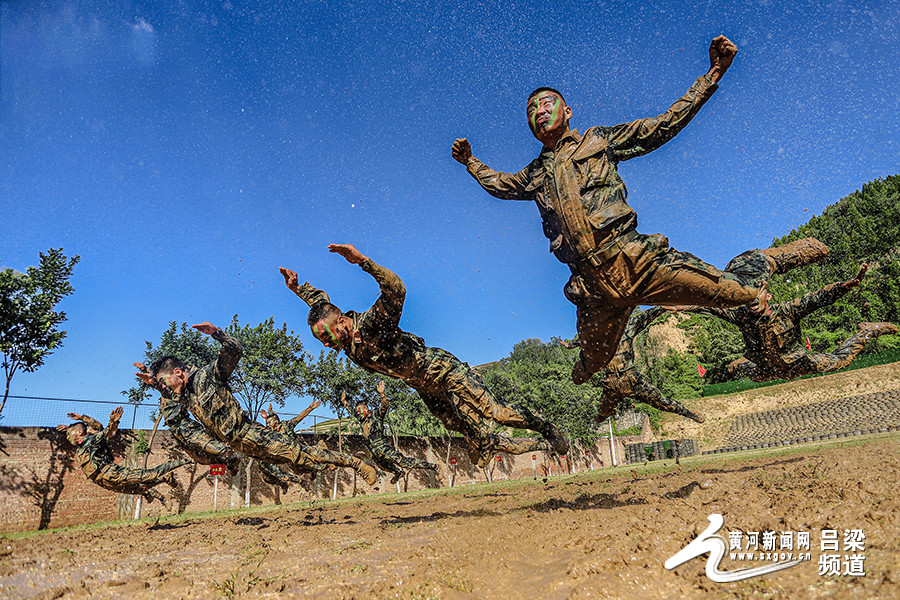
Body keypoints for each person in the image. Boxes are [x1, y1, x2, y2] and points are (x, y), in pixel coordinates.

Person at [452, 35, 828, 384]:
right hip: (592, 287)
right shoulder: (535, 174)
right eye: (531, 110)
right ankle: (588, 362)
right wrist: (471, 163)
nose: (538, 112)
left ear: (568, 111)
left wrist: (713, 74)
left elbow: (664, 125)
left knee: (732, 292)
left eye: (546, 104)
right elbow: (499, 185)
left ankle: (755, 291)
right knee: (592, 365)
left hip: (635, 260)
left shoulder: (600, 140)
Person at [279, 244, 567, 467]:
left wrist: (364, 262)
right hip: (423, 385)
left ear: (342, 321)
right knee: (457, 425)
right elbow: (320, 304)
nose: (327, 345)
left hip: (442, 370)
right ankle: (487, 443)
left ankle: (545, 428)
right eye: (322, 341)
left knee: (496, 412)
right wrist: (298, 288)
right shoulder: (337, 327)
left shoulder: (373, 324)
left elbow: (396, 289)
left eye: (328, 336)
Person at [140, 323, 379, 486]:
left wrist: (217, 333)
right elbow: (169, 396)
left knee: (306, 456)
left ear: (178, 372)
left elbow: (234, 350)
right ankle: (309, 470)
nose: (165, 387)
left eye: (164, 381)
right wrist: (152, 382)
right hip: (240, 447)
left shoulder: (207, 376)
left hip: (252, 435)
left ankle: (356, 463)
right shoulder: (185, 394)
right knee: (298, 463)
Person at [680, 264, 898, 381]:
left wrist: (845, 286)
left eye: (759, 293)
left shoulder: (787, 311)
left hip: (798, 363)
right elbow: (710, 308)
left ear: (768, 297)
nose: (753, 299)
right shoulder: (741, 316)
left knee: (842, 361)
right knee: (737, 369)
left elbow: (817, 298)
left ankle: (868, 331)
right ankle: (730, 368)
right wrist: (680, 304)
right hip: (766, 369)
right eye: (749, 295)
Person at [134, 363, 302, 493]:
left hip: (189, 428)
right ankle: (231, 461)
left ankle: (234, 459)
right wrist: (150, 376)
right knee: (202, 458)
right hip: (179, 433)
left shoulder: (182, 390)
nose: (165, 386)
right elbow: (159, 382)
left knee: (221, 449)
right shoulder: (167, 390)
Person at [562, 307, 704, 423]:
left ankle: (689, 413)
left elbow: (646, 317)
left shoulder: (626, 326)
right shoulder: (598, 333)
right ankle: (604, 415)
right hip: (612, 381)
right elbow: (584, 341)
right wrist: (570, 345)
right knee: (603, 411)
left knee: (661, 401)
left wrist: (662, 308)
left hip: (629, 378)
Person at [59, 407, 189, 504]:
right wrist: (69, 429)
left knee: (150, 475)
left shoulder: (92, 439)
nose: (67, 437)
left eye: (69, 433)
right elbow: (85, 431)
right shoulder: (82, 445)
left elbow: (102, 430)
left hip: (110, 472)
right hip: (100, 479)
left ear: (80, 432)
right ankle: (165, 481)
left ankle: (186, 461)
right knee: (136, 489)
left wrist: (110, 422)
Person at [341, 382, 440, 484]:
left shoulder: (376, 415)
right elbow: (352, 411)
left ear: (366, 409)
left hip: (384, 448)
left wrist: (382, 394)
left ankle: (434, 467)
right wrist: (344, 402)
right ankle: (398, 472)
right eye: (357, 412)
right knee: (383, 466)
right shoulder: (362, 420)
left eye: (359, 410)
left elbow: (384, 407)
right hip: (375, 452)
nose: (358, 413)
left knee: (404, 462)